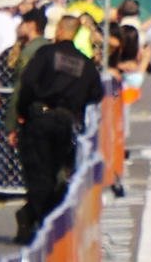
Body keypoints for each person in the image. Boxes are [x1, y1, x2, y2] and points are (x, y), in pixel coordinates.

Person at [12, 14, 104, 245]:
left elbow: (28, 84)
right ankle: (38, 220)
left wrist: (22, 113)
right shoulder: (86, 64)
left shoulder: (46, 55)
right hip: (67, 125)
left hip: (40, 120)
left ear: (61, 31)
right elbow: (96, 94)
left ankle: (35, 219)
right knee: (59, 175)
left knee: (38, 173)